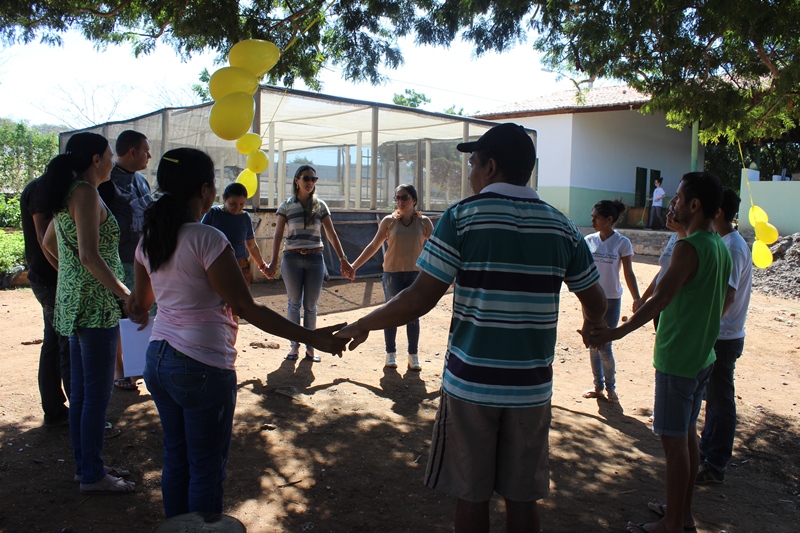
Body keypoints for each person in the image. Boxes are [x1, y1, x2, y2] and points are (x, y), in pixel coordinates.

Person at [335, 123, 607, 532]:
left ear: (491, 166)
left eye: (473, 164)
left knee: (471, 496)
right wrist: (592, 325)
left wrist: (363, 323)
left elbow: (419, 298)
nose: (469, 173)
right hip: (531, 389)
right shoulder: (562, 226)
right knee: (522, 499)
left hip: (471, 387)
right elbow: (596, 300)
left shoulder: (461, 218)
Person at [126, 148, 348, 518]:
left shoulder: (151, 237)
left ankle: (177, 528)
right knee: (206, 468)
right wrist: (315, 337)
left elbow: (140, 304)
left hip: (158, 359)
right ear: (205, 190)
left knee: (176, 459)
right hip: (201, 364)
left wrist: (136, 303)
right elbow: (246, 306)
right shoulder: (207, 239)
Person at [588, 171, 733, 533]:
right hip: (701, 358)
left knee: (674, 444)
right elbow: (722, 298)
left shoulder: (689, 249)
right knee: (686, 437)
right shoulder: (717, 245)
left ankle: (673, 523)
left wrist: (615, 332)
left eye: (679, 198)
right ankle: (682, 515)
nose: (673, 203)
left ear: (695, 205)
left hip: (678, 359)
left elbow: (661, 298)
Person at [41, 132, 135, 494]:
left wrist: (70, 277)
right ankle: (93, 476)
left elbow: (50, 243)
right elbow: (89, 255)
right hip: (95, 306)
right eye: (110, 155)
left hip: (75, 301)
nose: (113, 161)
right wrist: (125, 295)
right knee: (95, 395)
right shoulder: (84, 192)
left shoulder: (69, 192)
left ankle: (87, 466)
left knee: (82, 393)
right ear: (96, 159)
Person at [264, 165, 354, 362]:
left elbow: (331, 234)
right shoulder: (286, 205)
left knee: (311, 305)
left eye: (314, 179)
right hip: (292, 258)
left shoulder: (320, 206)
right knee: (294, 303)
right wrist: (273, 263)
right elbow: (278, 235)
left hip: (315, 259)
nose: (310, 182)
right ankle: (294, 347)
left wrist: (343, 259)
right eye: (306, 178)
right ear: (297, 180)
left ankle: (311, 348)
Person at [697, 188, 752, 485]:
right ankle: (707, 452)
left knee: (720, 400)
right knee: (714, 398)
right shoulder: (726, 241)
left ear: (718, 212)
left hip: (724, 335)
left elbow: (728, 294)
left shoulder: (732, 246)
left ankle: (716, 462)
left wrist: (707, 325)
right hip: (723, 333)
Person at [347, 184, 434, 370]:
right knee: (390, 313)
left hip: (414, 274)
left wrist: (446, 272)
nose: (400, 201)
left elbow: (435, 249)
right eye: (397, 198)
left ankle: (413, 355)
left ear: (414, 200)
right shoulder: (389, 221)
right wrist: (354, 266)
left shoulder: (424, 222)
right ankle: (391, 353)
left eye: (404, 197)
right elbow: (373, 246)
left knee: (413, 314)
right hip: (392, 274)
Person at [97, 129, 153, 391]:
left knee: (144, 313)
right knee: (123, 313)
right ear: (132, 152)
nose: (149, 156)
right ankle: (121, 369)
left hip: (143, 259)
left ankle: (137, 366)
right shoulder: (106, 183)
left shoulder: (142, 181)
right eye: (145, 150)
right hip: (117, 261)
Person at [20, 177, 71, 426]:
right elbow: (44, 240)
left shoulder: (45, 187)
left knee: (54, 340)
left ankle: (54, 408)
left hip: (50, 279)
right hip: (51, 281)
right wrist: (66, 274)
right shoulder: (44, 189)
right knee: (66, 343)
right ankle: (70, 409)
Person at [582, 199, 640, 404]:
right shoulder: (589, 240)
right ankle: (598, 386)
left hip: (611, 301)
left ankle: (610, 388)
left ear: (609, 219)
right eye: (592, 217)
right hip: (591, 300)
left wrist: (637, 298)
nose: (592, 220)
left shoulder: (622, 243)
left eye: (596, 217)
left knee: (605, 345)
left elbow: (629, 273)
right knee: (592, 343)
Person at [202, 182, 268, 287]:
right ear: (224, 198)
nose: (237, 207)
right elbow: (200, 238)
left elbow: (252, 245)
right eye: (233, 204)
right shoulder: (213, 213)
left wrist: (262, 266)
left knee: (240, 300)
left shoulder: (245, 217)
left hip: (240, 264)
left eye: (242, 204)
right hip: (215, 263)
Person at [633, 211, 686, 330]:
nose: (667, 214)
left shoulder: (690, 244)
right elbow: (663, 272)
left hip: (672, 305)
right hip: (659, 302)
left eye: (673, 211)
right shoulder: (674, 237)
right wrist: (644, 298)